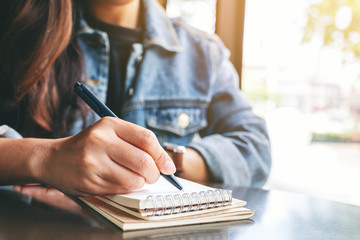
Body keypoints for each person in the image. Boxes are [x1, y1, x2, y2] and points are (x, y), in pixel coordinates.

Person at [0, 0, 271, 196]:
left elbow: (255, 147)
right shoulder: (18, 31)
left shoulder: (203, 53)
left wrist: (168, 161)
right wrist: (46, 159)